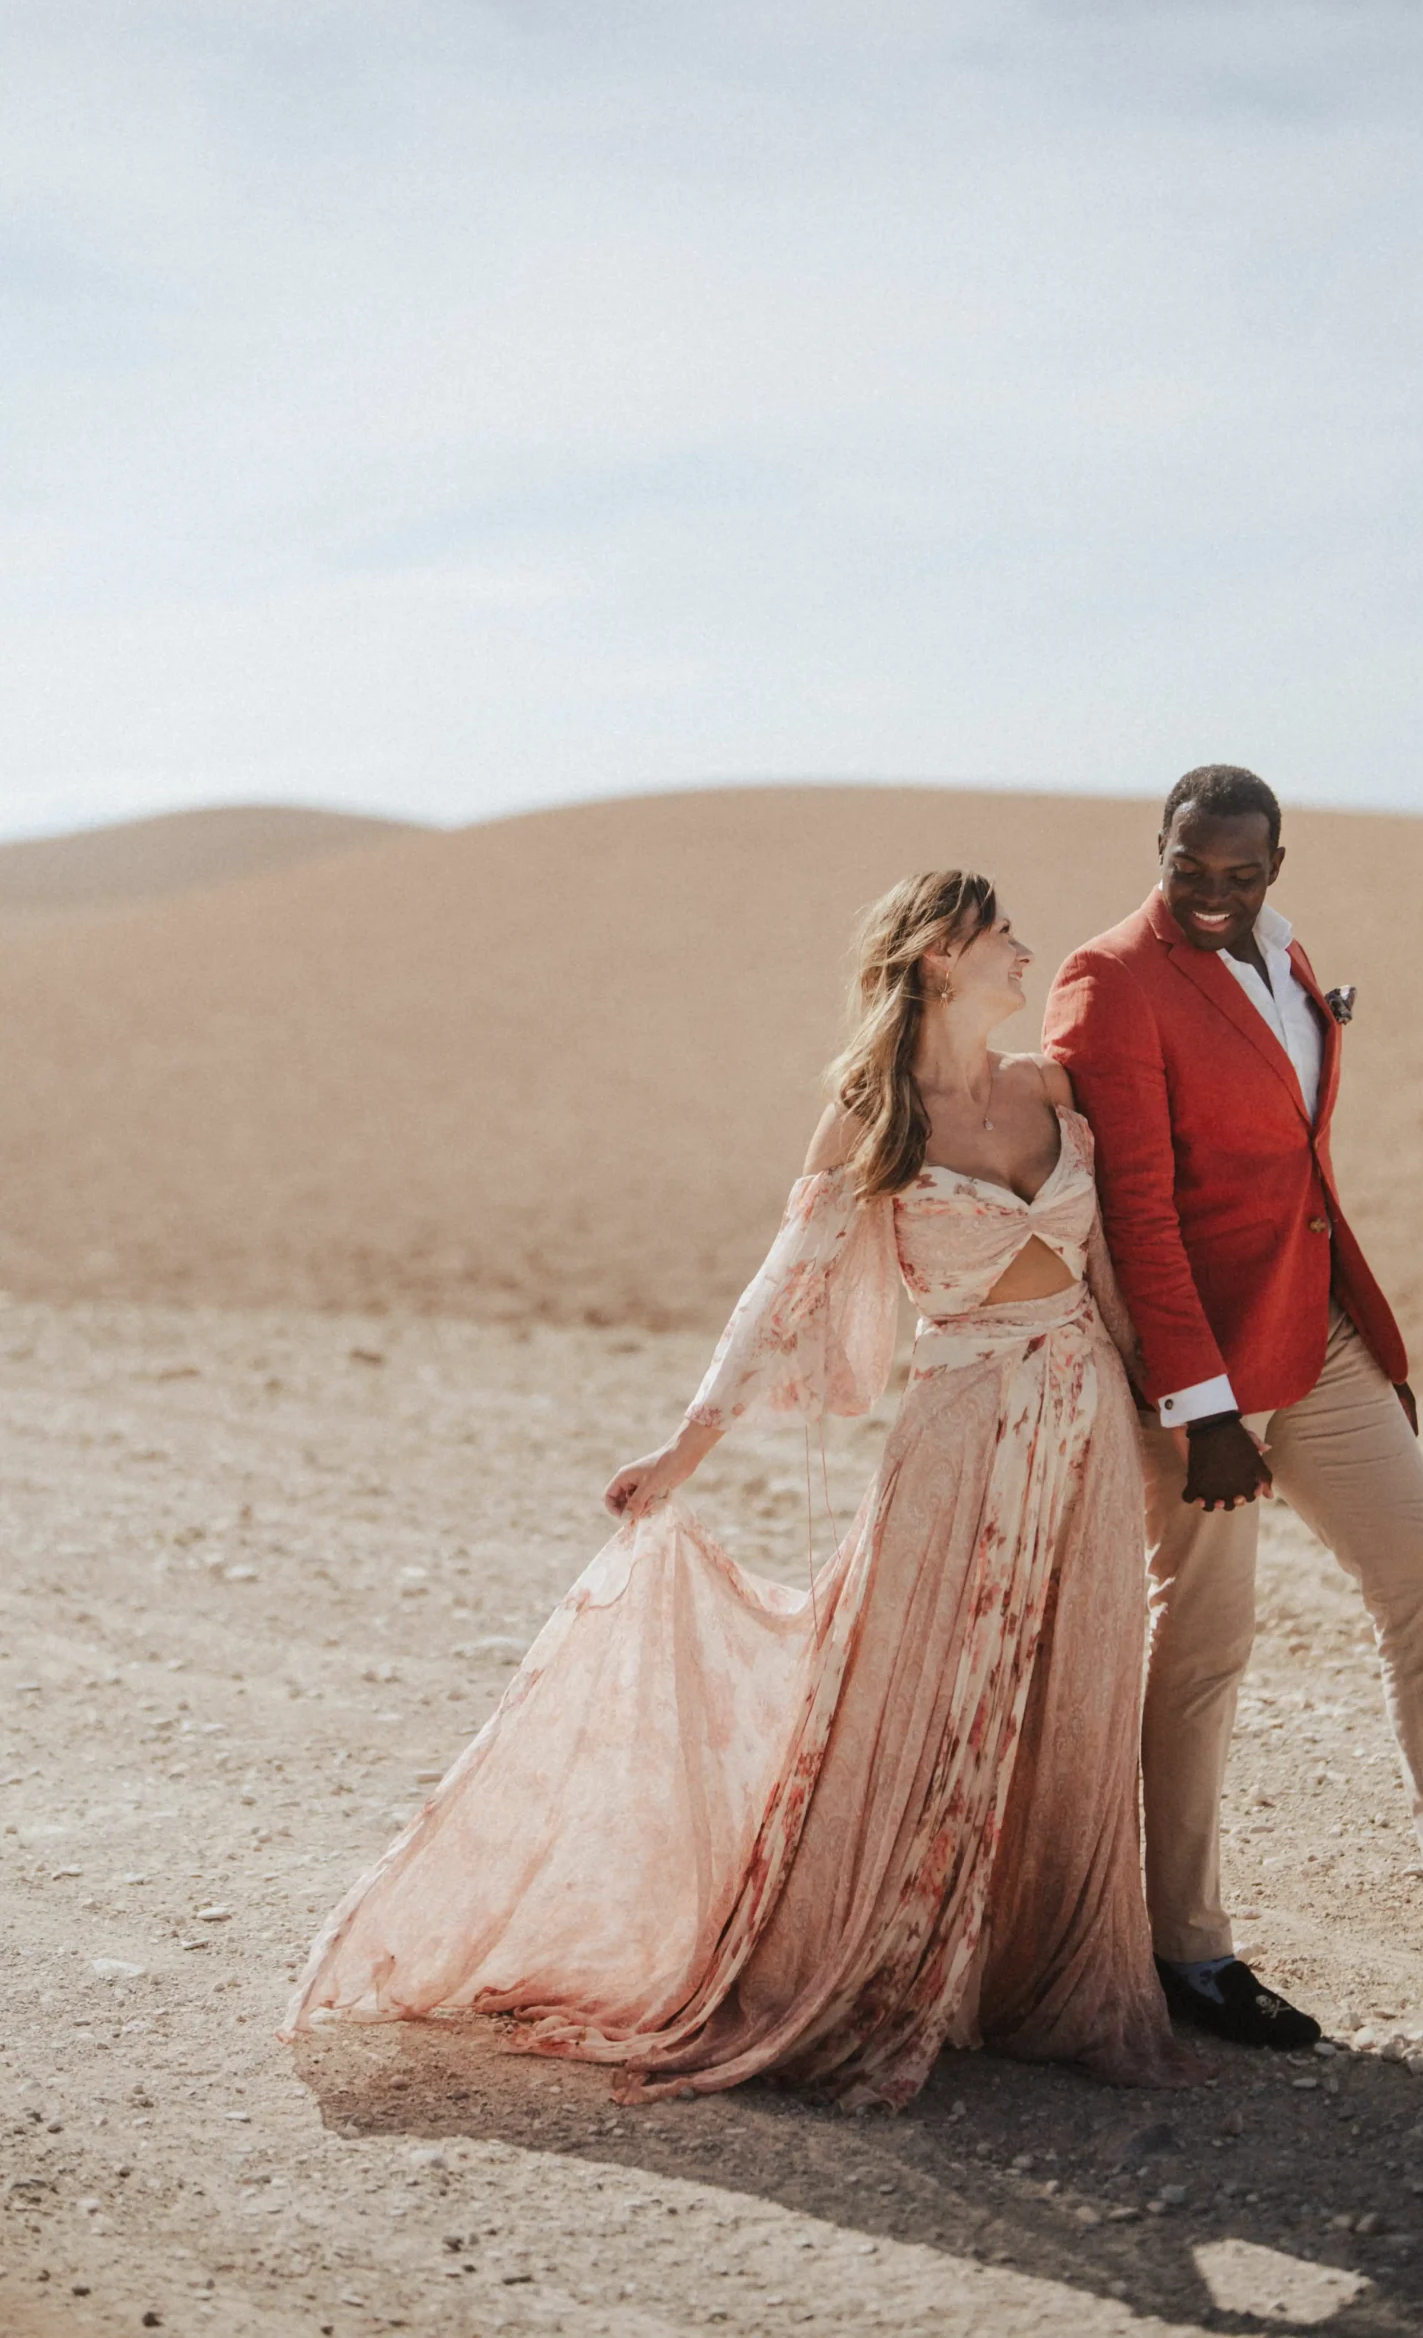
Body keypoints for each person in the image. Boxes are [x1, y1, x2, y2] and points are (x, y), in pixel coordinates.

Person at [282, 871, 1187, 2110]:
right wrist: (682, 1450)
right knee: (921, 1692)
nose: (1026, 953)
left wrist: (1162, 1418)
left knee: (1070, 1698)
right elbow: (781, 1299)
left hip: (1083, 1418)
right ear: (938, 956)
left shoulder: (1052, 1089)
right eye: (1001, 936)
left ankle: (1035, 1982)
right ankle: (881, 1966)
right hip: (961, 1428)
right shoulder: (870, 1120)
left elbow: (1113, 1271)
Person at [1044, 764, 1423, 2050]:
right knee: (1204, 1646)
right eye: (1189, 868)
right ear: (1159, 848)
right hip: (1204, 1376)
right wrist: (1201, 1408)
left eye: (1240, 872)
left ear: (1277, 865)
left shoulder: (1286, 950)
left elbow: (1301, 1155)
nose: (1213, 893)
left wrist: (1347, 1324)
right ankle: (1186, 1949)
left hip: (1316, 1331)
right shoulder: (1109, 980)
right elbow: (1137, 1211)